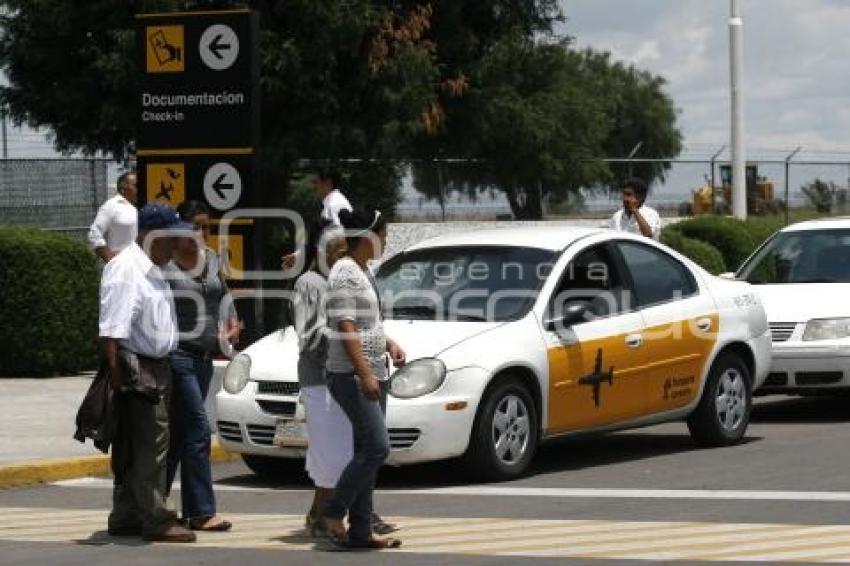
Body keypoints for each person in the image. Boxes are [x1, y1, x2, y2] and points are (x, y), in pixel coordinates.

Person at [99, 203, 195, 543]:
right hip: (136, 369)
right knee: (150, 448)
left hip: (154, 367)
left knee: (137, 448)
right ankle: (156, 518)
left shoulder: (152, 268)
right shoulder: (127, 269)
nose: (177, 246)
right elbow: (112, 332)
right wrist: (120, 382)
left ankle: (127, 514)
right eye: (172, 239)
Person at [322, 207, 406, 550]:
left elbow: (368, 321)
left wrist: (389, 344)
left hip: (375, 369)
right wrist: (365, 373)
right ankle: (332, 511)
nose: (386, 240)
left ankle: (360, 531)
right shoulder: (343, 271)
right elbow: (346, 326)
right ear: (369, 235)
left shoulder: (362, 270)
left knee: (365, 448)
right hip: (352, 375)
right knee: (377, 447)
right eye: (383, 234)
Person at [163, 200, 239, 532]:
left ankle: (150, 502)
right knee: (197, 429)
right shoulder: (165, 267)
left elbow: (224, 298)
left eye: (205, 227)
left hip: (207, 358)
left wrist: (233, 324)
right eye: (194, 226)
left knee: (180, 437)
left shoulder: (211, 260)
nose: (200, 233)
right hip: (178, 355)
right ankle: (201, 511)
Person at [292, 221, 350, 536]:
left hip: (339, 375)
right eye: (338, 252)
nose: (343, 258)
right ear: (322, 253)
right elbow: (308, 335)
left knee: (336, 450)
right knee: (331, 452)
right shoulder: (310, 284)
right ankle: (323, 515)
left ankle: (320, 514)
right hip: (319, 377)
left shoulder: (340, 280)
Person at [280, 170, 352, 270]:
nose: (314, 186)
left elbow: (339, 240)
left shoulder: (334, 205)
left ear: (328, 183)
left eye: (316, 182)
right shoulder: (333, 203)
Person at [89, 171, 139, 262]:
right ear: (123, 188)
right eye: (136, 186)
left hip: (140, 264)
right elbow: (94, 233)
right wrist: (108, 256)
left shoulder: (140, 208)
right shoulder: (112, 205)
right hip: (121, 265)